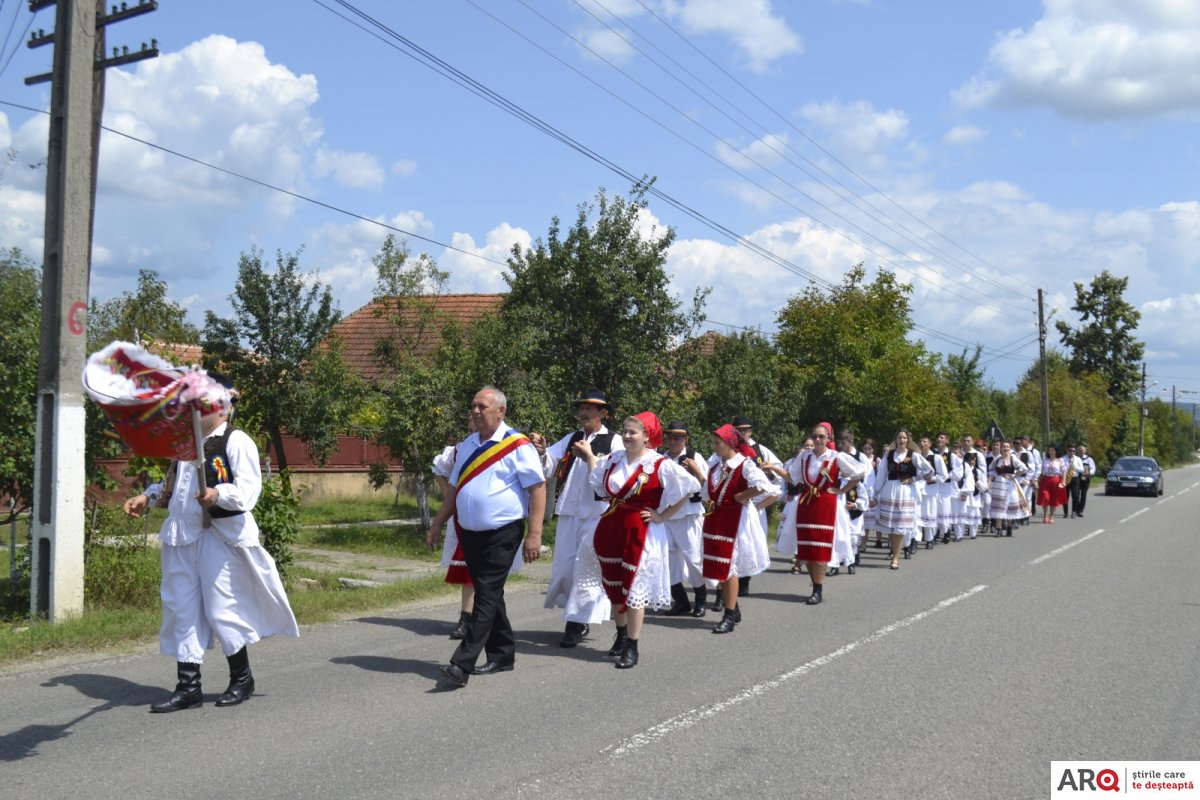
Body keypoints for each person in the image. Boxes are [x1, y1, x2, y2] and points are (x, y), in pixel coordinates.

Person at [123, 382, 299, 713]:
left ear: (220, 405)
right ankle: (188, 687)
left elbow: (249, 489)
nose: (194, 408)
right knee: (181, 608)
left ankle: (241, 679)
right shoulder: (186, 444)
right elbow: (174, 485)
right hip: (182, 536)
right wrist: (147, 497)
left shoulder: (236, 440)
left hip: (217, 535)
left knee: (222, 607)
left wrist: (219, 495)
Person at [426, 387, 546, 687]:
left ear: (500, 412)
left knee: (486, 594)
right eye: (473, 406)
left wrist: (535, 534)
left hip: (503, 533)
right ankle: (503, 653)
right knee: (490, 593)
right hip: (470, 533)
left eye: (483, 406)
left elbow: (537, 489)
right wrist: (438, 522)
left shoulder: (518, 446)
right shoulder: (466, 445)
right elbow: (454, 490)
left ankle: (461, 664)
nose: (476, 411)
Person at [578, 412, 699, 668]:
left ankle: (632, 645)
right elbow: (598, 487)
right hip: (611, 527)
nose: (627, 436)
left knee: (634, 588)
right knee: (614, 586)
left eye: (633, 432)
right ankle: (621, 635)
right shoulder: (613, 459)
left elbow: (688, 488)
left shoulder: (659, 463)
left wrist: (662, 515)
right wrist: (590, 457)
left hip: (641, 532)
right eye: (625, 431)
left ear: (647, 437)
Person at [430, 415, 524, 640]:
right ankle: (468, 618)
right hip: (465, 520)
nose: (476, 422)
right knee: (469, 572)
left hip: (498, 524)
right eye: (472, 420)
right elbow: (439, 469)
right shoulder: (461, 449)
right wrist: (450, 499)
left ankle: (482, 624)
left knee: (487, 577)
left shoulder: (508, 445)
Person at [541, 389, 620, 648]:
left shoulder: (614, 441)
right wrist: (542, 451)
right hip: (569, 511)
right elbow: (549, 463)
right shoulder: (572, 437)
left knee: (586, 569)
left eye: (591, 408)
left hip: (597, 514)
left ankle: (575, 624)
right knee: (564, 568)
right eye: (582, 407)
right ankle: (579, 616)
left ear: (603, 413)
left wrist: (590, 457)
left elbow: (616, 477)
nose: (584, 412)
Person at [703, 424, 780, 633]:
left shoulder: (744, 464)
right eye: (714, 442)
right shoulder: (716, 463)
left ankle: (729, 614)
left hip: (736, 520)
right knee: (719, 565)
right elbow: (708, 490)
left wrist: (742, 496)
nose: (714, 446)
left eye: (717, 443)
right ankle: (733, 607)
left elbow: (767, 486)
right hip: (717, 517)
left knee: (729, 566)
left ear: (729, 444)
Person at [790, 422, 869, 604]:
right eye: (815, 436)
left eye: (822, 437)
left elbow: (859, 472)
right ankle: (814, 582)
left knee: (820, 547)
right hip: (806, 504)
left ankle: (818, 589)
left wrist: (842, 490)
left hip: (825, 504)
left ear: (829, 439)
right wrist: (773, 469)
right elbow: (792, 476)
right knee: (807, 547)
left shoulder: (836, 457)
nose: (818, 439)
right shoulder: (804, 457)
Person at [659, 421, 710, 616]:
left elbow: (707, 486)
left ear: (685, 439)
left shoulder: (694, 457)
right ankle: (680, 601)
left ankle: (701, 598)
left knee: (694, 559)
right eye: (670, 437)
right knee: (668, 559)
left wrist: (696, 470)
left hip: (689, 515)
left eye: (678, 438)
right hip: (666, 516)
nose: (673, 441)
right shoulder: (661, 459)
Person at [731, 416, 784, 597]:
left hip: (755, 504)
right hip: (732, 503)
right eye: (739, 430)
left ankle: (745, 581)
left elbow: (778, 468)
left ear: (750, 431)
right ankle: (731, 580)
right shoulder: (729, 448)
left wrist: (769, 472)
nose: (742, 433)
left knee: (750, 544)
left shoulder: (759, 450)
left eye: (745, 429)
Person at [870, 429, 933, 570]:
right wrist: (875, 494)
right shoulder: (889, 455)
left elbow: (929, 471)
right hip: (890, 490)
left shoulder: (914, 455)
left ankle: (896, 558)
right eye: (899, 437)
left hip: (905, 492)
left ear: (908, 440)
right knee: (892, 527)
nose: (902, 440)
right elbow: (881, 475)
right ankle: (894, 553)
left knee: (899, 526)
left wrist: (914, 478)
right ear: (895, 440)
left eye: (904, 438)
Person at [988, 439, 1029, 537]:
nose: (1006, 448)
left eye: (1007, 447)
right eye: (1004, 447)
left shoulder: (1013, 458)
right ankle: (999, 529)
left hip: (1010, 485)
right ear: (1001, 448)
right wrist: (989, 482)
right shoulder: (997, 460)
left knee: (1010, 506)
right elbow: (991, 471)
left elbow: (1023, 468)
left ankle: (1009, 527)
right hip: (999, 485)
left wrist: (1014, 476)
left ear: (1010, 448)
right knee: (999, 507)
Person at [1037, 444, 1068, 524]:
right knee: (1045, 497)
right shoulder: (1045, 460)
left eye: (1052, 451)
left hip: (1056, 480)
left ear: (1056, 451)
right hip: (1045, 480)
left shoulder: (1060, 460)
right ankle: (1045, 515)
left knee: (1054, 499)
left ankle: (1051, 516)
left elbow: (1064, 471)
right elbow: (1041, 470)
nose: (1050, 452)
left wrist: (1063, 481)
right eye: (1049, 451)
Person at [1076, 445, 1097, 517]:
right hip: (1076, 479)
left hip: (1085, 479)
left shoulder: (1089, 459)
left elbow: (1093, 469)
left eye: (1082, 450)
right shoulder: (1075, 459)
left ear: (1085, 451)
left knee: (1083, 495)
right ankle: (1076, 509)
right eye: (1080, 450)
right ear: (1077, 451)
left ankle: (1080, 510)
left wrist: (1089, 473)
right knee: (1076, 495)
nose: (1081, 451)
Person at [1063, 445, 1084, 518]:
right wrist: (1067, 469)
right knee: (1065, 496)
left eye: (1073, 451)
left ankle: (1074, 511)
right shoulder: (1063, 459)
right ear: (1067, 451)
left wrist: (1074, 468)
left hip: (1075, 478)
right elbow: (1060, 469)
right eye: (1070, 450)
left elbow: (1082, 469)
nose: (1072, 452)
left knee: (1075, 495)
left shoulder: (1078, 459)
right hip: (1066, 478)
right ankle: (1065, 512)